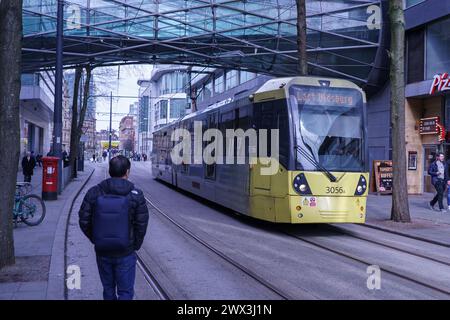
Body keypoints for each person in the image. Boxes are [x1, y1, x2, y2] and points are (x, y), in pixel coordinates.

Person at [78, 155, 149, 300]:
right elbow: (141, 224)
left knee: (108, 290)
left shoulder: (94, 192)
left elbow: (84, 219)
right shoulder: (136, 195)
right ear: (127, 172)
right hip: (126, 252)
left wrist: (97, 238)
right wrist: (134, 244)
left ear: (110, 170)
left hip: (103, 251)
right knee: (125, 292)